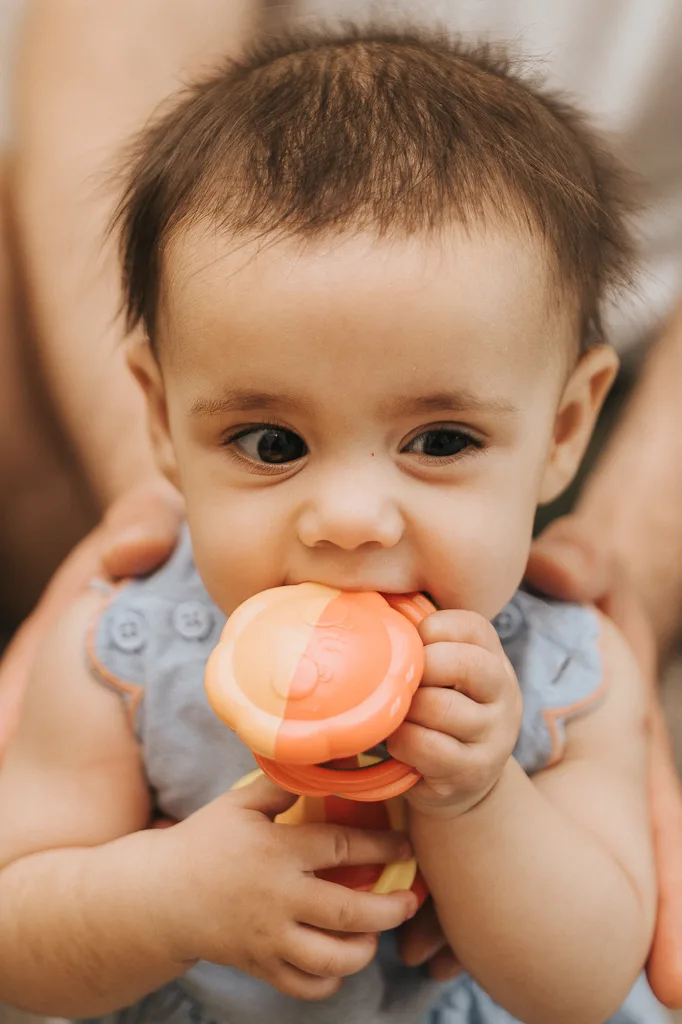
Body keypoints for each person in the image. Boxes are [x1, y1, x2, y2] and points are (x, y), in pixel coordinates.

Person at [0, 29, 666, 1023]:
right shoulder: (121, 656)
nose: (349, 520)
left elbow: (583, 980)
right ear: (161, 420)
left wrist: (479, 804)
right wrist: (163, 898)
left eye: (440, 440)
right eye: (270, 442)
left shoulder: (566, 678)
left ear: (564, 428)